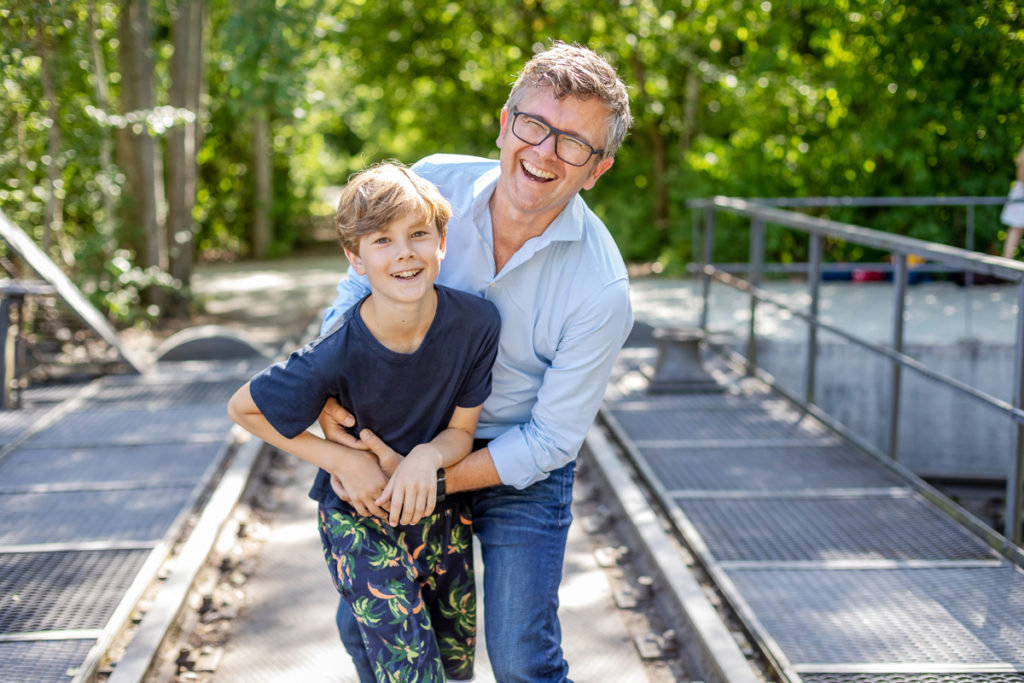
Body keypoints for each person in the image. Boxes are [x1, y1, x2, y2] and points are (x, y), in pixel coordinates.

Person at [319, 41, 633, 682]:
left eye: (573, 143)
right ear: (504, 123)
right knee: (371, 625)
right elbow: (354, 293)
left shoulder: (601, 289)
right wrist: (335, 422)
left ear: (596, 169)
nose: (544, 152)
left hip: (516, 461)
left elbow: (551, 439)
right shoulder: (432, 185)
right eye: (534, 125)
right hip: (405, 434)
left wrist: (432, 479)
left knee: (522, 658)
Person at [227, 162, 501, 682]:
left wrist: (427, 456)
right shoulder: (335, 352)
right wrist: (341, 460)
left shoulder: (477, 325)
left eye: (419, 234)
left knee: (453, 666)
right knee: (411, 672)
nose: (404, 252)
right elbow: (242, 407)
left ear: (442, 242)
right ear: (355, 258)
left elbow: (461, 432)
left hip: (440, 513)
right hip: (360, 517)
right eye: (382, 240)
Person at [1001, 143, 1024, 258]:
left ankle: (1007, 256)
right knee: (1016, 229)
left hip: (1020, 194)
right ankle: (1007, 257)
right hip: (1021, 195)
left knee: (1015, 229)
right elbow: (1021, 175)